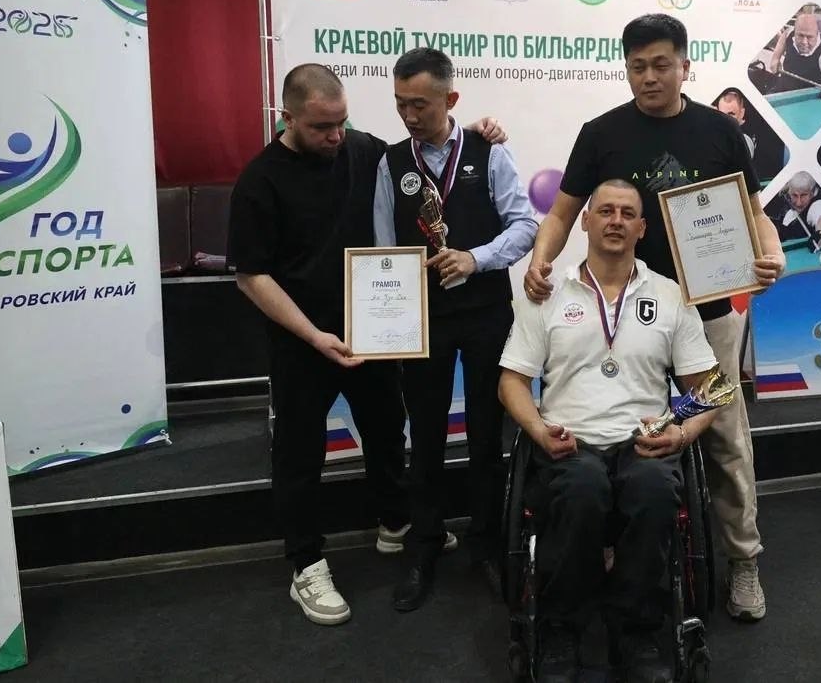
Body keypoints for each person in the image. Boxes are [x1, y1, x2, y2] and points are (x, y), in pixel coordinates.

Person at [525, 14, 785, 623]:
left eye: (661, 65)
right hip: (624, 319)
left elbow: (754, 213)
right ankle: (614, 545)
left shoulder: (721, 131)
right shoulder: (601, 134)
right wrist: (541, 259)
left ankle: (743, 559)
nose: (649, 77)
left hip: (708, 314)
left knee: (722, 433)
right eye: (637, 66)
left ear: (684, 66)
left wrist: (772, 251)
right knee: (618, 427)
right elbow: (562, 215)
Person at [227, 63, 505, 627]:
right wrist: (313, 335)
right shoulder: (260, 180)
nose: (335, 136)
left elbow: (430, 149)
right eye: (321, 127)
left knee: (386, 430)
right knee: (299, 453)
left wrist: (478, 131)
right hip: (303, 338)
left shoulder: (363, 150)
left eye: (342, 122)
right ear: (288, 118)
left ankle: (396, 521)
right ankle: (306, 563)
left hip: (373, 329)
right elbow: (251, 277)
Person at [501, 179, 722, 683]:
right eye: (605, 211)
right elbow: (511, 381)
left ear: (642, 228)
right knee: (583, 489)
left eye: (627, 213)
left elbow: (712, 388)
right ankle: (561, 628)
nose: (615, 220)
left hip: (644, 442)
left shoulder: (670, 296)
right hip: (569, 442)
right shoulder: (545, 293)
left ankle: (637, 630)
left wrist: (682, 434)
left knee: (653, 490)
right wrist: (536, 429)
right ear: (585, 221)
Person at [372, 48, 538, 611]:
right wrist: (387, 307)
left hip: (487, 312)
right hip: (423, 320)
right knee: (424, 435)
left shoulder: (489, 151)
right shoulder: (391, 162)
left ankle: (486, 544)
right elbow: (382, 247)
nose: (409, 115)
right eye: (400, 103)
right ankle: (424, 545)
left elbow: (525, 226)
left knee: (488, 434)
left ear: (451, 99)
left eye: (419, 104)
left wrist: (475, 258)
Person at [768, 4, 821, 99]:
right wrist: (776, 58)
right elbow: (785, 34)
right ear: (795, 32)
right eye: (800, 35)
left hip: (805, 98)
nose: (804, 42)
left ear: (817, 34)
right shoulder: (791, 33)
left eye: (809, 37)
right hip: (782, 90)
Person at [777, 171, 821, 252]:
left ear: (813, 193)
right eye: (794, 195)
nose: (799, 203)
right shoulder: (789, 213)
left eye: (804, 195)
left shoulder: (817, 205)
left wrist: (820, 233)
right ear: (789, 194)